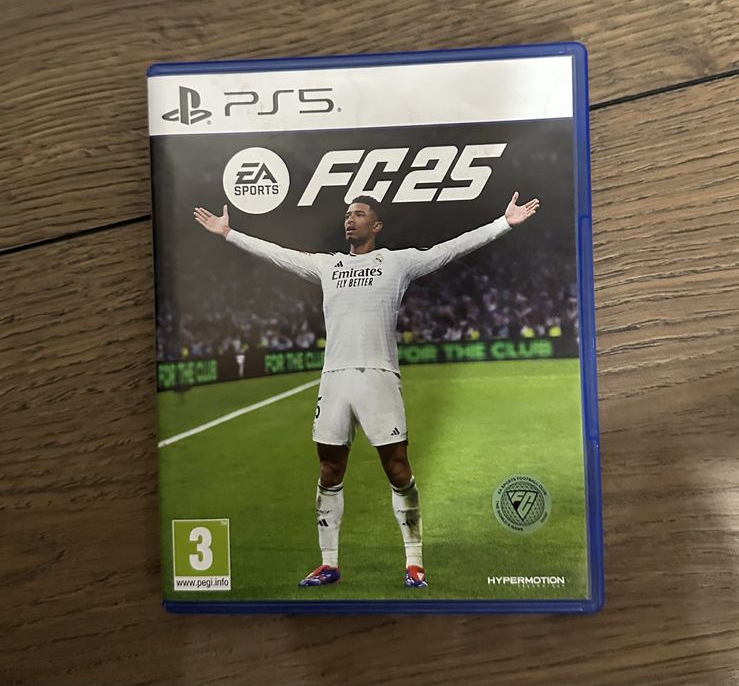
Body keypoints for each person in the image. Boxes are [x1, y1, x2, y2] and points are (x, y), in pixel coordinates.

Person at [193, 192, 540, 588]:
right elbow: (279, 255)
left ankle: (414, 562)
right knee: (329, 471)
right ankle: (328, 564)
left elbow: (449, 250)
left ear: (376, 225)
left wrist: (502, 223)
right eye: (347, 214)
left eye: (359, 214)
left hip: (379, 376)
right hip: (335, 379)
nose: (350, 219)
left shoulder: (397, 262)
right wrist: (230, 233)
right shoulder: (328, 265)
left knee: (398, 469)